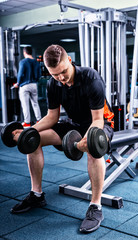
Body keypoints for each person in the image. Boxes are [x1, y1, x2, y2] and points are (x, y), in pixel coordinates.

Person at [11, 44, 114, 233]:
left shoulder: (91, 78)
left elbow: (98, 119)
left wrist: (87, 139)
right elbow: (52, 117)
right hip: (74, 124)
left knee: (93, 147)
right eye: (55, 75)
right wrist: (28, 131)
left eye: (63, 72)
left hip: (100, 123)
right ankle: (36, 194)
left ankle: (95, 206)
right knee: (33, 140)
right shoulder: (54, 83)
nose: (61, 78)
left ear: (69, 61)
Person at [14, 46, 41, 127]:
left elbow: (20, 74)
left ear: (24, 52)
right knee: (35, 103)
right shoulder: (36, 62)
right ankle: (39, 120)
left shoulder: (23, 62)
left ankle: (27, 122)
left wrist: (18, 83)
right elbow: (39, 74)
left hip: (25, 86)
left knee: (25, 105)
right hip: (34, 85)